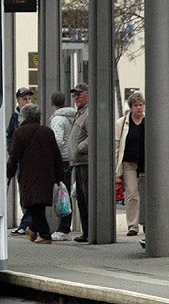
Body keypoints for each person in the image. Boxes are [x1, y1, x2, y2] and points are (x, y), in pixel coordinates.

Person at [6, 103, 65, 245]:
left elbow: (14, 156)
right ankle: (32, 229)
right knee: (38, 205)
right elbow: (56, 156)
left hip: (29, 175)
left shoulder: (20, 133)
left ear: (24, 116)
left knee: (33, 205)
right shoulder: (47, 132)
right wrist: (59, 177)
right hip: (46, 175)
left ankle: (44, 235)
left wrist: (9, 174)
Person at [114, 91, 145, 237]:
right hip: (129, 163)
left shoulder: (148, 121)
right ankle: (133, 225)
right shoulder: (122, 123)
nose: (139, 108)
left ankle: (146, 222)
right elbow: (117, 145)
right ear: (131, 107)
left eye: (141, 105)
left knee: (146, 193)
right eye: (136, 105)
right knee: (131, 194)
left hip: (145, 163)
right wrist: (116, 167)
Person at [48, 91, 75, 241]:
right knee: (68, 192)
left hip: (62, 159)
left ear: (53, 103)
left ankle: (64, 228)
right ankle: (65, 226)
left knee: (62, 193)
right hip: (71, 158)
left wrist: (51, 154)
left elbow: (57, 140)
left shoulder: (57, 119)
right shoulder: (73, 116)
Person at [7, 87, 34, 235]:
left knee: (31, 192)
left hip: (32, 161)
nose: (28, 101)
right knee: (23, 192)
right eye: (25, 99)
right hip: (19, 162)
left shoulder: (33, 115)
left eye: (30, 99)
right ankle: (28, 222)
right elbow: (9, 135)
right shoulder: (15, 117)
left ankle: (25, 224)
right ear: (18, 101)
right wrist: (11, 150)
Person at [67, 82, 90, 242]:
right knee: (81, 199)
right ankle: (86, 231)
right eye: (75, 95)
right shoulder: (80, 113)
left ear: (88, 94)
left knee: (86, 198)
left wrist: (79, 148)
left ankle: (89, 231)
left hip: (85, 162)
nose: (76, 98)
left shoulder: (88, 113)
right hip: (78, 162)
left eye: (79, 94)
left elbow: (92, 136)